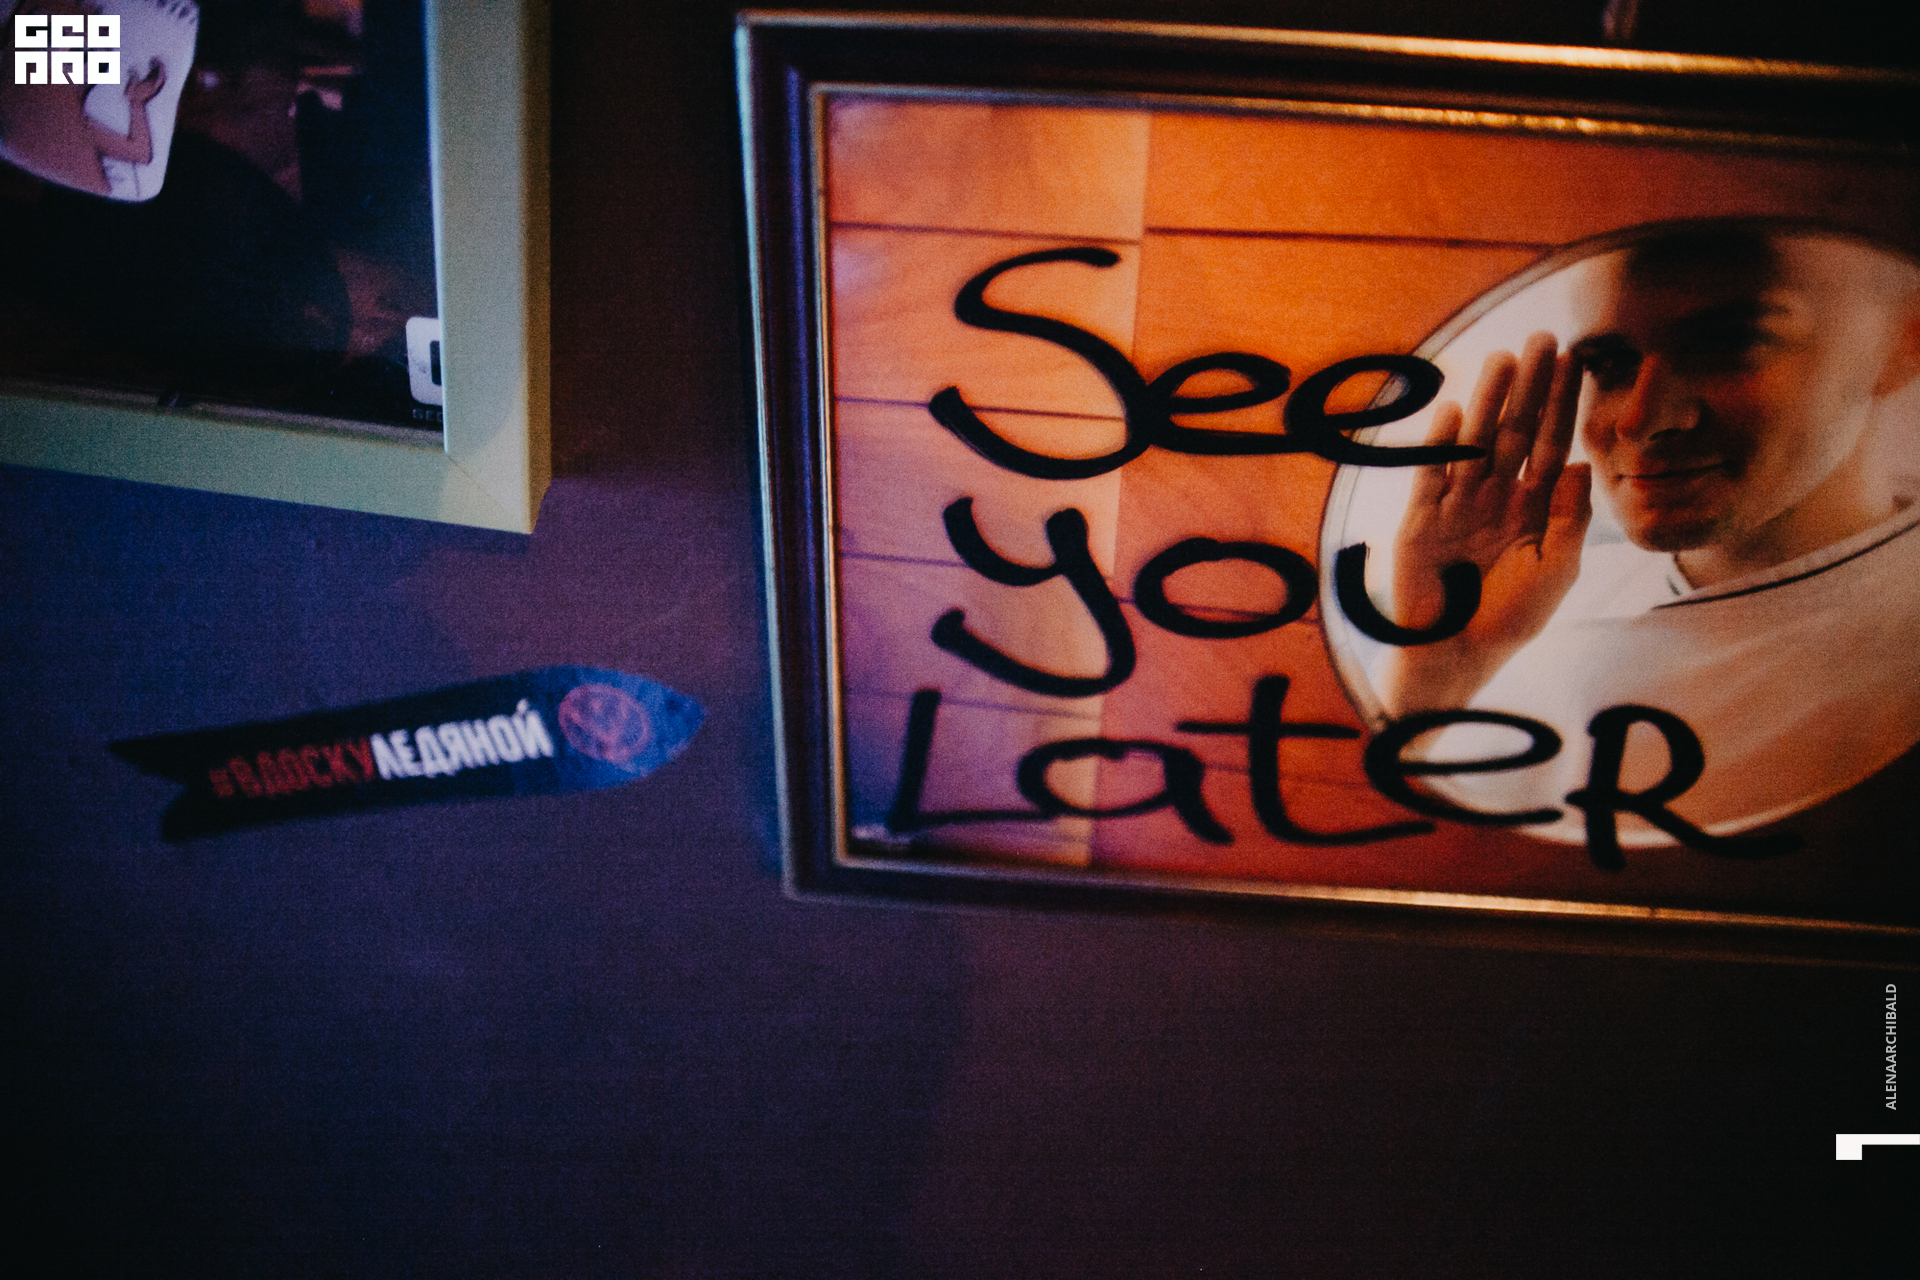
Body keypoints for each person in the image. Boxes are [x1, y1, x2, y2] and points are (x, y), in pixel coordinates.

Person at [1375, 223, 1920, 843]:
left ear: (1904, 342)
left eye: (1728, 344)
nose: (1641, 419)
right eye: (1608, 365)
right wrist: (1434, 676)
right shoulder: (1536, 604)